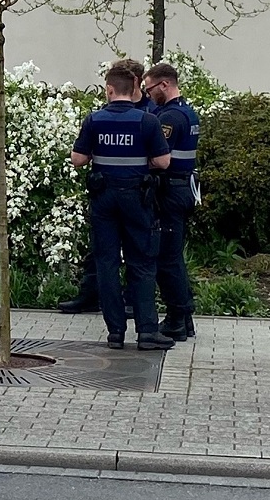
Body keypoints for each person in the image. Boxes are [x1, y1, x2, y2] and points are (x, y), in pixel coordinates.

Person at [70, 65, 174, 350]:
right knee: (141, 263)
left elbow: (78, 159)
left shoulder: (94, 120)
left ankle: (115, 332)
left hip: (104, 199)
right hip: (138, 199)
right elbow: (164, 162)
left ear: (110, 89)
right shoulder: (147, 121)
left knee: (106, 264)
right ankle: (147, 333)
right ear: (135, 90)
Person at [59, 57, 156, 314]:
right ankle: (96, 298)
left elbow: (78, 158)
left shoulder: (147, 113)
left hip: (134, 191)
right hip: (123, 192)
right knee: (107, 256)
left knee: (128, 257)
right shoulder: (126, 115)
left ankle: (123, 316)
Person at [143, 62, 201, 341]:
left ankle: (177, 317)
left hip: (169, 191)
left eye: (150, 88)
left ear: (164, 85)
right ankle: (184, 319)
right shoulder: (187, 113)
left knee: (167, 258)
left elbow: (158, 158)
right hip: (183, 189)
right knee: (173, 255)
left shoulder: (169, 118)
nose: (149, 94)